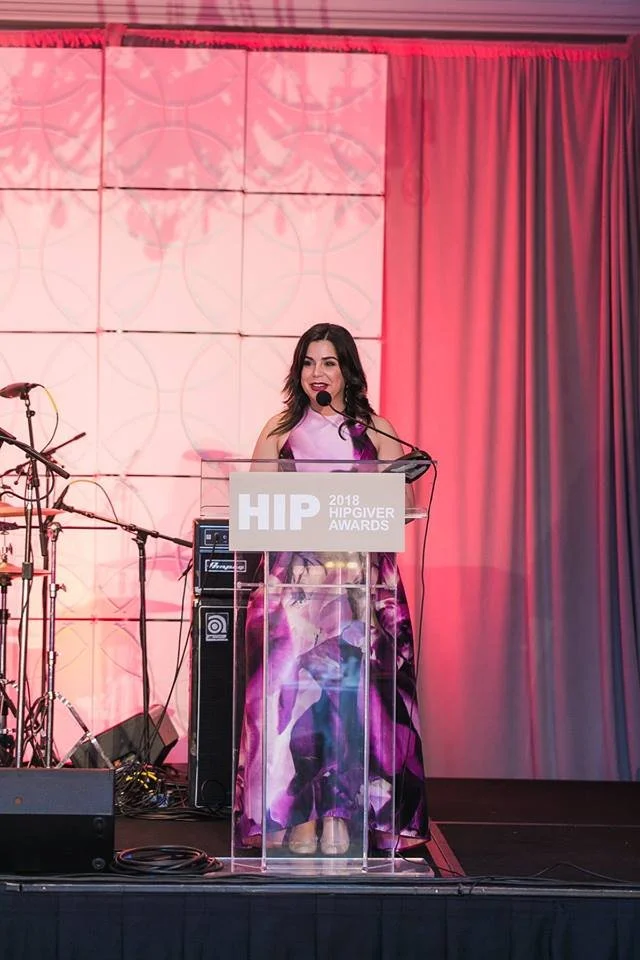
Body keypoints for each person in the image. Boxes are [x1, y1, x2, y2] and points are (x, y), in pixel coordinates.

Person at [234, 323, 428, 856]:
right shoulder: (280, 429)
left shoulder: (376, 429)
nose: (318, 373)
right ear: (299, 372)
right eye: (309, 363)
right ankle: (298, 815)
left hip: (361, 583)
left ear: (347, 371)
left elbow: (405, 506)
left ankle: (343, 813)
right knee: (296, 704)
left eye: (329, 363)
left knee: (356, 703)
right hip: (297, 584)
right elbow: (254, 506)